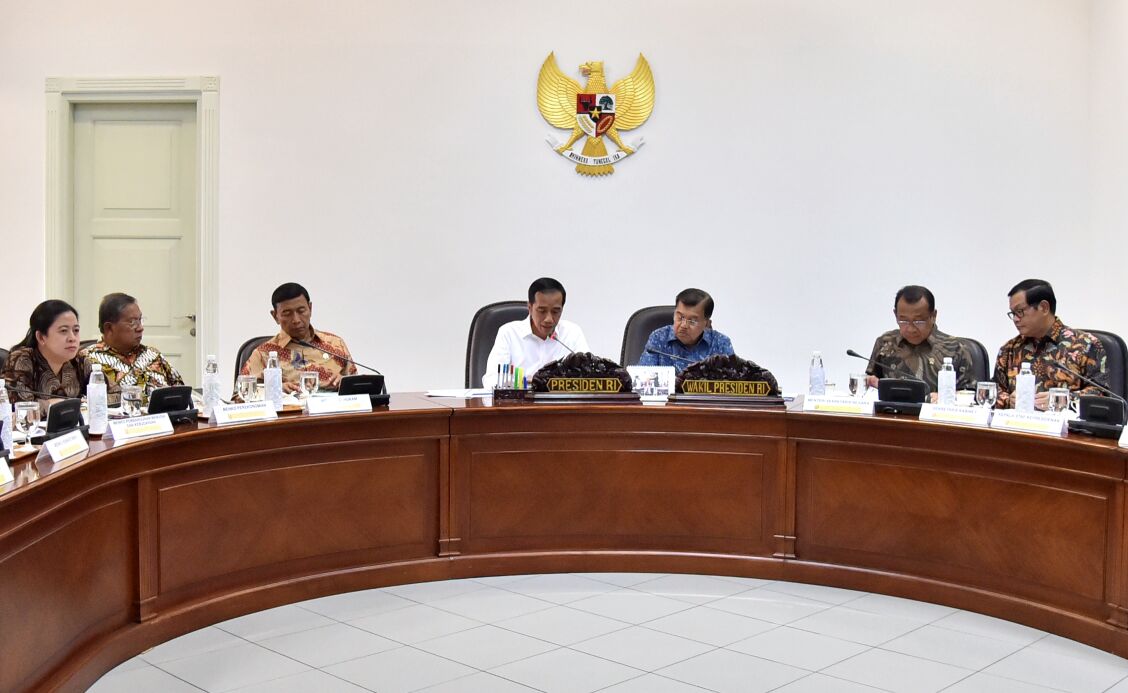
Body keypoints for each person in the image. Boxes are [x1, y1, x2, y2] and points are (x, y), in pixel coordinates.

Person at [993, 279, 1109, 409]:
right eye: (1013, 313)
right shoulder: (1009, 349)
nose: (1015, 319)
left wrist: (1061, 400)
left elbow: (1102, 395)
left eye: (1020, 311)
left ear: (1044, 307)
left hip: (1067, 428)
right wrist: (1008, 400)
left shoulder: (1085, 345)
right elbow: (993, 392)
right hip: (1017, 427)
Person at [240, 282, 357, 393]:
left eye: (301, 311)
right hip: (290, 413)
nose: (296, 320)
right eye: (287, 314)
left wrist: (346, 383)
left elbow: (361, 388)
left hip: (332, 412)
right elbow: (238, 397)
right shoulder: (264, 353)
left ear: (310, 309)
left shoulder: (335, 344)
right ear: (275, 316)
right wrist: (275, 389)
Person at [864, 285, 975, 393]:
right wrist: (870, 383)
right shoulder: (886, 343)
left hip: (937, 411)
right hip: (890, 411)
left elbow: (970, 395)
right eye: (903, 321)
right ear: (895, 315)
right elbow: (870, 385)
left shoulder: (956, 349)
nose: (911, 329)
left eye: (919, 321)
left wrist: (946, 397)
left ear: (933, 316)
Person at [482, 277, 589, 388]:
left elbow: (589, 378)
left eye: (555, 311)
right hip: (520, 403)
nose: (549, 319)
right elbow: (491, 381)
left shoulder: (572, 333)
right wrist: (529, 383)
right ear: (530, 307)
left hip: (560, 403)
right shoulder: (508, 333)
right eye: (542, 311)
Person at [81, 293, 184, 406]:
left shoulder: (152, 354)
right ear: (109, 328)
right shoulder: (88, 360)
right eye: (132, 322)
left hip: (166, 420)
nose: (140, 328)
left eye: (140, 320)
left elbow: (182, 392)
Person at [1, 300, 90, 414]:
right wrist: (57, 404)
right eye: (63, 331)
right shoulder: (22, 360)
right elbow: (18, 409)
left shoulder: (80, 361)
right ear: (41, 337)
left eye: (76, 330)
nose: (72, 338)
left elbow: (113, 394)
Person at [637, 288, 734, 373]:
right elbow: (643, 379)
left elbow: (733, 383)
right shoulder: (658, 338)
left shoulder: (720, 343)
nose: (683, 325)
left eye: (692, 321)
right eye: (680, 317)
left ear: (706, 323)